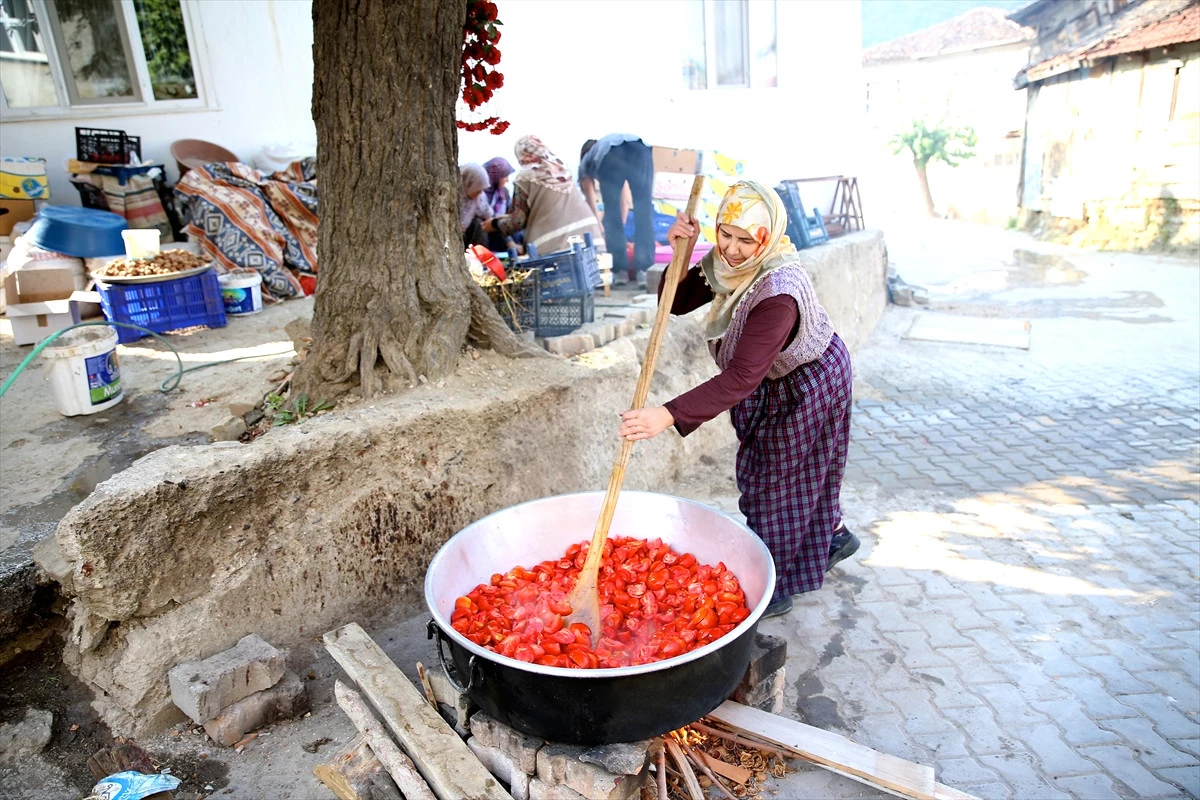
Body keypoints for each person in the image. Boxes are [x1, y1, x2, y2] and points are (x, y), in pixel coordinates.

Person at [618, 181, 859, 619]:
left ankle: (777, 585)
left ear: (766, 237)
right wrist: (681, 252)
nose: (731, 248)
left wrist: (668, 414)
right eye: (725, 232)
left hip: (810, 382)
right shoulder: (730, 262)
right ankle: (835, 535)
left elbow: (743, 376)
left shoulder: (777, 292)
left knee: (775, 486)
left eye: (745, 239)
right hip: (773, 381)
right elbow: (675, 302)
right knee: (782, 474)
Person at [485, 135, 602, 257]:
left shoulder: (526, 177)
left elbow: (517, 221)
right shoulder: (562, 170)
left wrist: (493, 224)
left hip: (555, 248)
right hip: (592, 240)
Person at [577, 134, 654, 286]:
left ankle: (620, 272)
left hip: (611, 154)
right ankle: (643, 272)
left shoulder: (586, 161)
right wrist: (619, 230)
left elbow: (592, 205)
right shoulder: (604, 145)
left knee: (611, 213)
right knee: (643, 209)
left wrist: (602, 229)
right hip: (641, 150)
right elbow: (624, 202)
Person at [460, 163, 491, 248]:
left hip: (467, 239)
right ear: (467, 184)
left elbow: (488, 215)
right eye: (477, 189)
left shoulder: (480, 198)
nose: (480, 192)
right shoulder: (453, 196)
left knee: (479, 224)